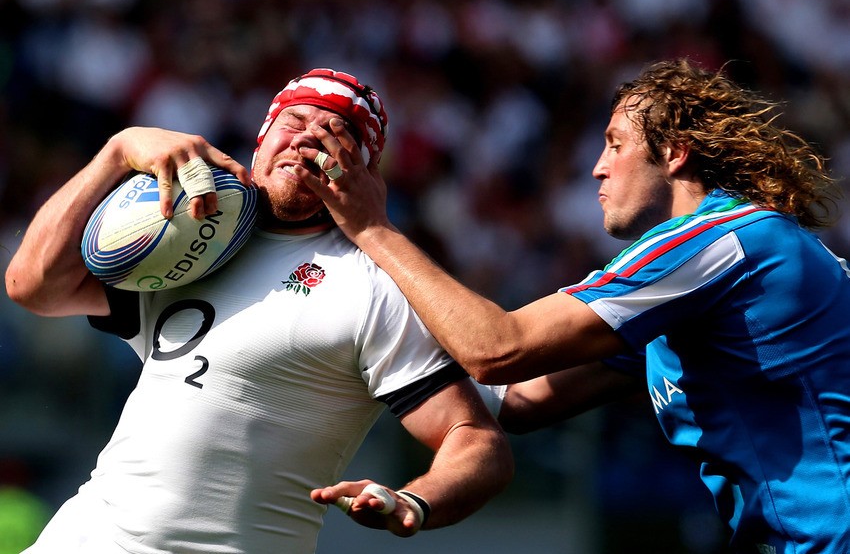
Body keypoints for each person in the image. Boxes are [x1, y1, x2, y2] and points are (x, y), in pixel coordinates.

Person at [297, 58, 850, 553]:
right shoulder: (697, 288)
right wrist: (363, 349)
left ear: (674, 153)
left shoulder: (724, 242)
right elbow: (518, 400)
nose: (597, 168)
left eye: (615, 144)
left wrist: (373, 228)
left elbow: (497, 349)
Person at [4, 68, 513, 553]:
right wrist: (117, 151)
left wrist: (415, 502)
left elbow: (476, 442)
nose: (307, 138)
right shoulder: (189, 233)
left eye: (336, 135)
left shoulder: (373, 285)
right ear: (262, 137)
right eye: (294, 121)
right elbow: (31, 286)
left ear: (362, 173)